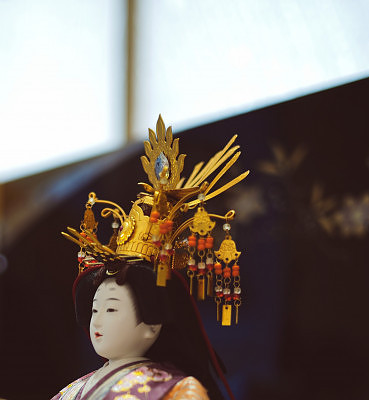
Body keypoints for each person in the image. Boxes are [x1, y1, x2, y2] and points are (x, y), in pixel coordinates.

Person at [55, 116, 248, 400]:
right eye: (95, 311)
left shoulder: (178, 390)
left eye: (110, 310)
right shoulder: (70, 392)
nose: (96, 322)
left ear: (152, 324)